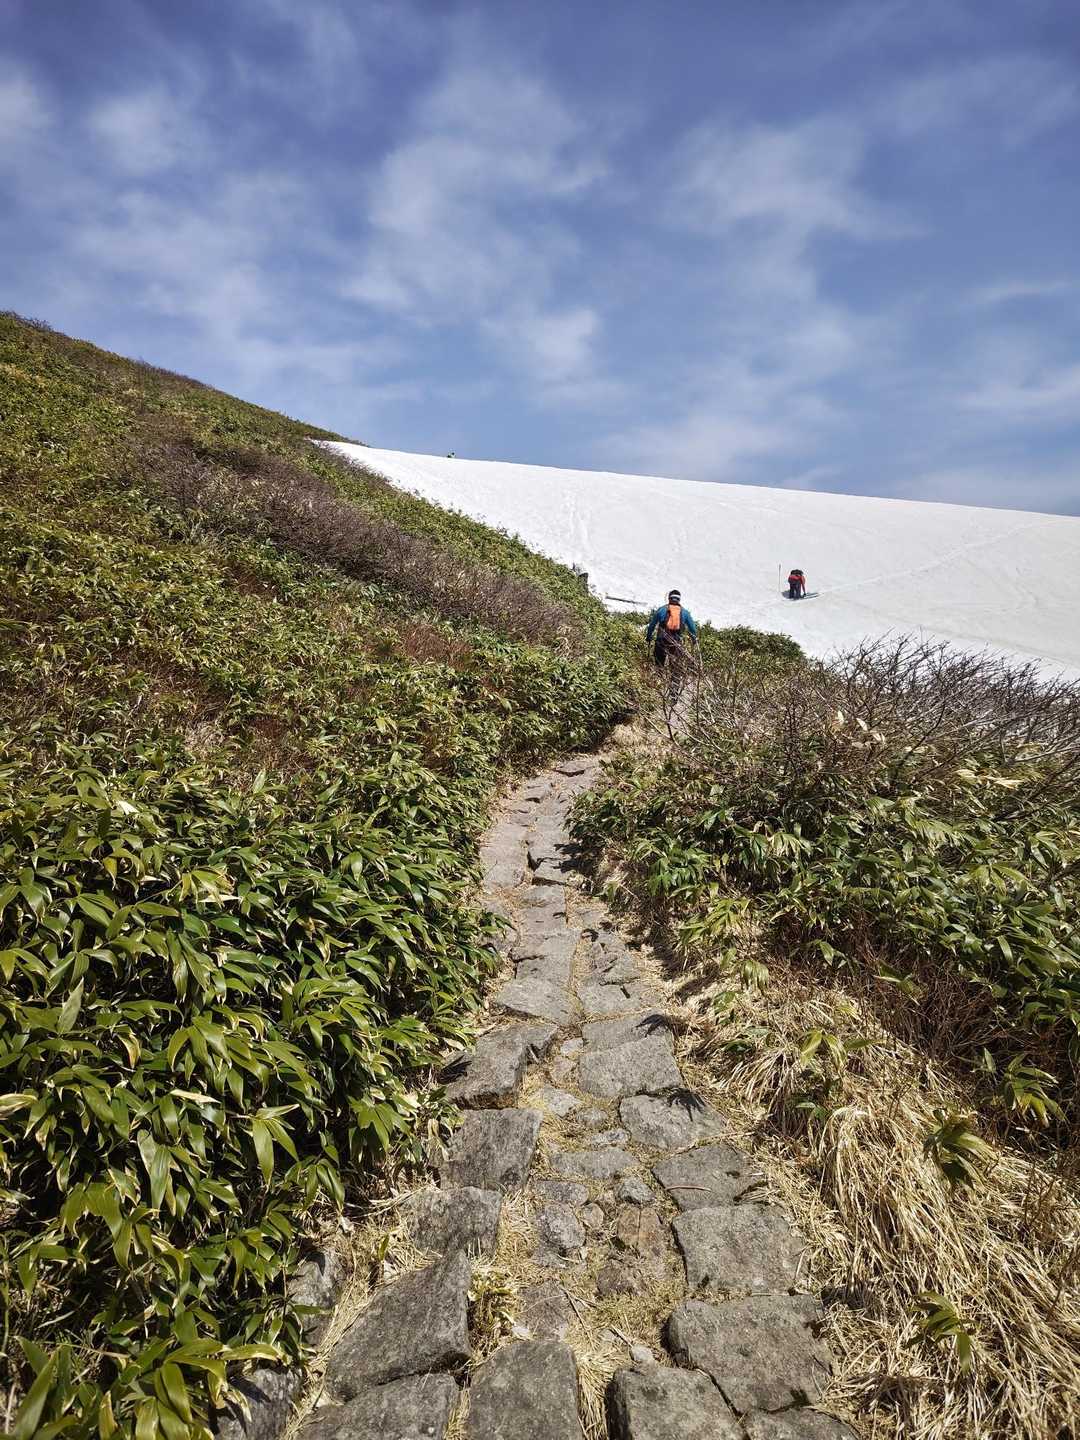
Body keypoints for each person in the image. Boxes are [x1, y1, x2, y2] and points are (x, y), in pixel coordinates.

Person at [646, 589, 698, 667]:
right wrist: (694, 639)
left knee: (659, 665)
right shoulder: (685, 612)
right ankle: (673, 675)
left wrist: (649, 637)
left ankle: (659, 673)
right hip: (676, 641)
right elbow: (692, 628)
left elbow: (652, 625)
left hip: (661, 640)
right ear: (679, 599)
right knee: (674, 667)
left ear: (669, 598)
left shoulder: (661, 610)